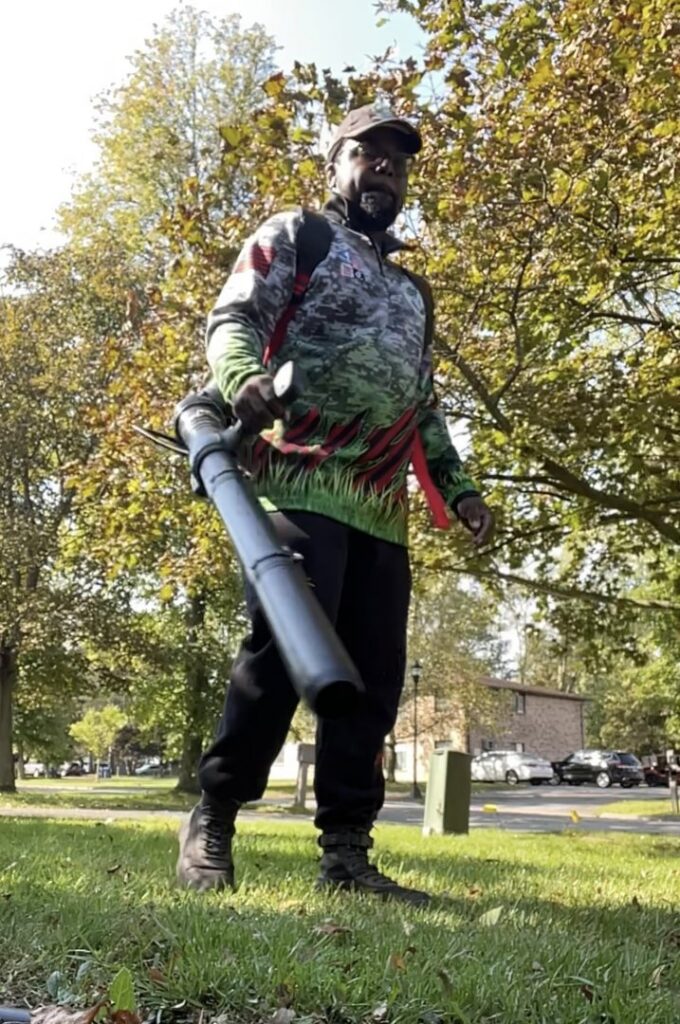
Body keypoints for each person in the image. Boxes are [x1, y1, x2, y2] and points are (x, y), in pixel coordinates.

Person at [177, 103, 494, 906]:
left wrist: (457, 489)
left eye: (398, 157)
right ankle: (214, 813)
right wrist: (242, 374)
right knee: (282, 661)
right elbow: (232, 318)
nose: (385, 165)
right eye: (368, 151)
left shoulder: (412, 294)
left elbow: (422, 404)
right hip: (299, 481)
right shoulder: (297, 236)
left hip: (381, 507)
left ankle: (348, 856)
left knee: (374, 682)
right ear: (336, 162)